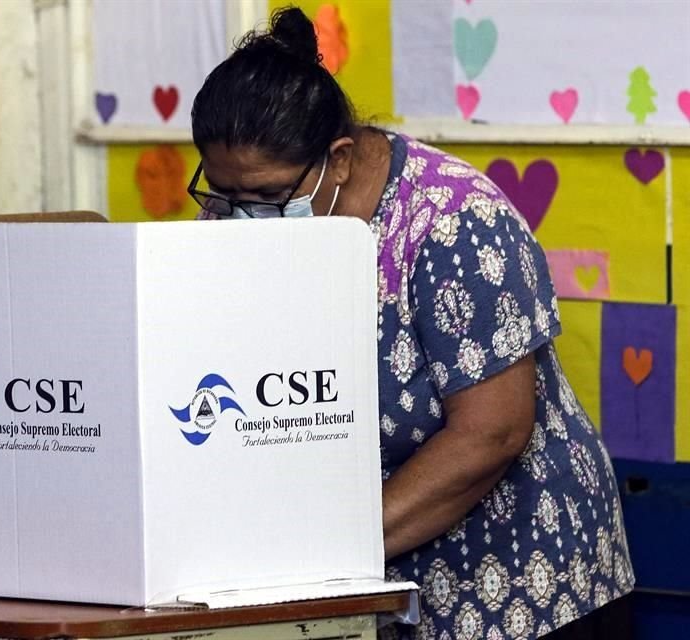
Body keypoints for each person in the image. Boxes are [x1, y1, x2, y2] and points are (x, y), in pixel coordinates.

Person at [188, 7, 634, 640]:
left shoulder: (453, 224)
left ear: (338, 160)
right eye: (222, 194)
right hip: (359, 584)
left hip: (515, 582)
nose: (237, 219)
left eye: (265, 199)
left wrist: (326, 554)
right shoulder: (231, 219)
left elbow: (492, 433)